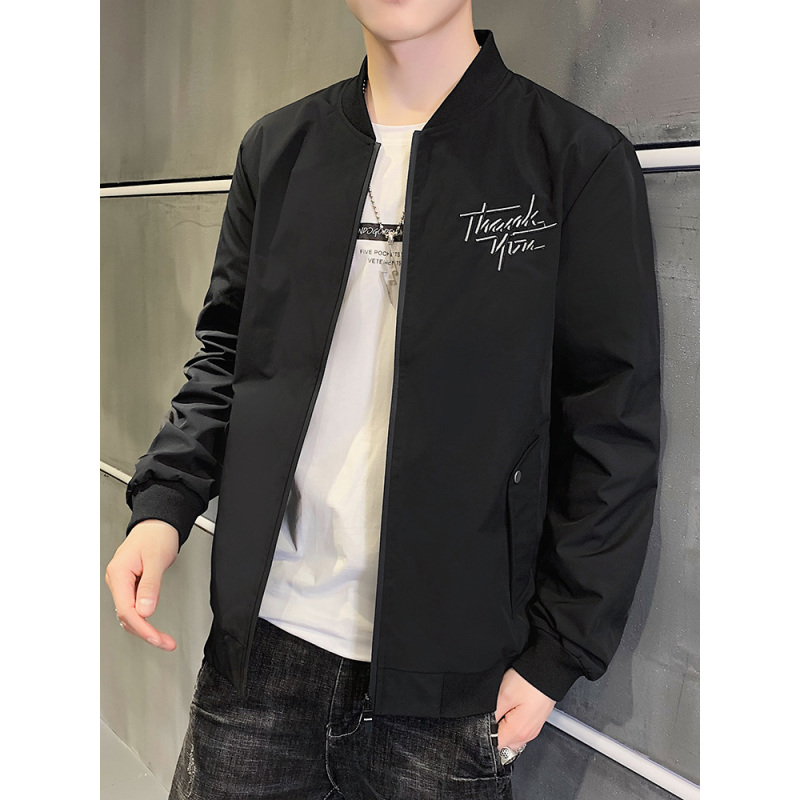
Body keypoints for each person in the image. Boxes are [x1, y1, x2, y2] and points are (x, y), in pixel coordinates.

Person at [104, 1, 662, 798]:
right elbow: (228, 358)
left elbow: (612, 426)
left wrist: (558, 654)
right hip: (261, 656)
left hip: (453, 691)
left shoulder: (572, 159)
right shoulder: (279, 149)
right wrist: (164, 504)